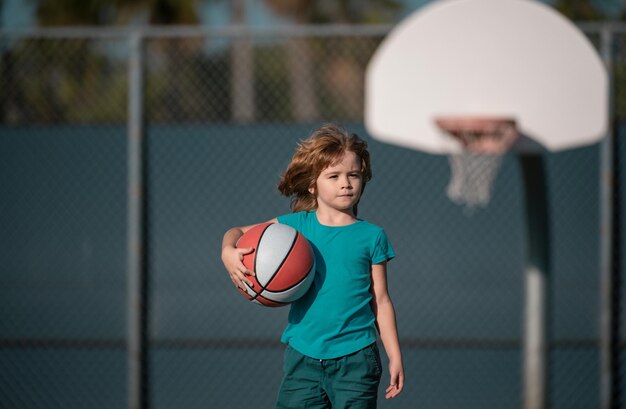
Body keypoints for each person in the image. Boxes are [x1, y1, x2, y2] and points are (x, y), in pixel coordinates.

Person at [221, 123, 404, 408]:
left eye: (353, 175)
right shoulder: (295, 228)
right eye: (334, 176)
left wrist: (394, 355)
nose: (346, 183)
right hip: (303, 358)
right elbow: (236, 232)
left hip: (356, 360)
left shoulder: (372, 236)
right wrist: (227, 252)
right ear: (312, 184)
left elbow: (380, 300)